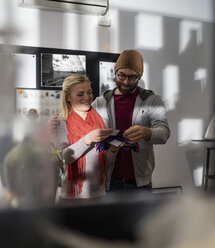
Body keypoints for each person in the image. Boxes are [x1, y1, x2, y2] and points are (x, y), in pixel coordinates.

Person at [91, 49, 170, 192]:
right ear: (115, 73)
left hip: (141, 184)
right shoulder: (100, 103)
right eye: (121, 75)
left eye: (132, 77)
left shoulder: (152, 101)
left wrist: (146, 132)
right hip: (109, 183)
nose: (126, 82)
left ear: (139, 76)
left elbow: (164, 133)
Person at [51, 74, 117, 202]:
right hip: (71, 197)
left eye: (89, 92)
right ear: (68, 98)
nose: (87, 97)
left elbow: (104, 162)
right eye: (80, 94)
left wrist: (113, 150)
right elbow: (65, 157)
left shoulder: (103, 122)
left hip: (99, 195)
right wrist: (87, 139)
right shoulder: (60, 123)